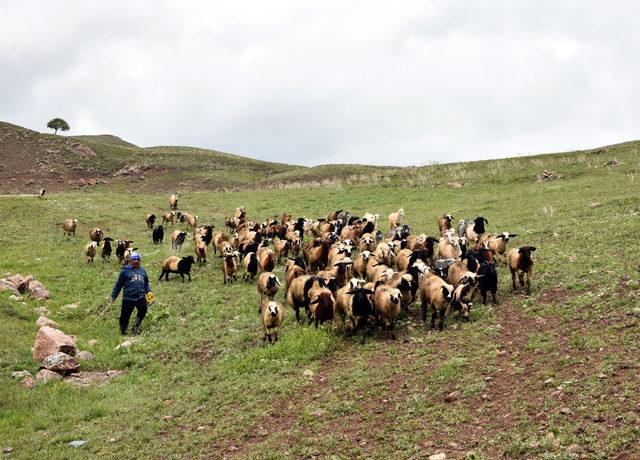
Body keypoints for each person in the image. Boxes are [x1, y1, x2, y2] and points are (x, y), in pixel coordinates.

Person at [110, 252, 152, 335]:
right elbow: (119, 285)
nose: (136, 261)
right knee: (125, 316)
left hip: (140, 297)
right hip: (128, 298)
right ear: (130, 260)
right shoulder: (125, 271)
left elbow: (146, 283)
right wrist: (113, 296)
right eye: (134, 259)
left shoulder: (143, 271)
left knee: (143, 310)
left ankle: (136, 327)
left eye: (138, 260)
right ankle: (123, 329)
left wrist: (149, 291)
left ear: (140, 261)